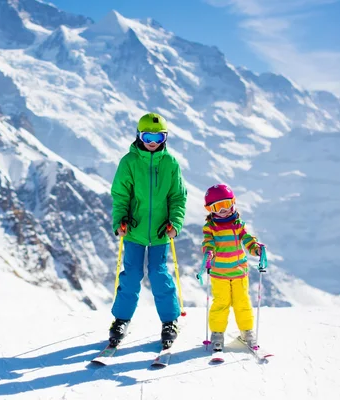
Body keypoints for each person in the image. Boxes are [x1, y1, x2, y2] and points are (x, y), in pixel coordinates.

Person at [108, 112, 187, 347]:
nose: (153, 141)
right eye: (147, 135)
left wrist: (176, 222)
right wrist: (120, 220)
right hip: (134, 230)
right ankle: (121, 319)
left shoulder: (170, 163)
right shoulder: (129, 162)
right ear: (138, 135)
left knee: (159, 275)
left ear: (165, 138)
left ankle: (169, 321)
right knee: (131, 275)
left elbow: (177, 197)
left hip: (161, 232)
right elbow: (120, 195)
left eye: (158, 136)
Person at [201, 184, 264, 351]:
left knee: (242, 302)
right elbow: (208, 242)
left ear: (233, 203)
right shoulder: (211, 227)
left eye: (226, 205)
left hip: (239, 272)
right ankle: (217, 334)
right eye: (217, 207)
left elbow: (247, 239)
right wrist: (209, 252)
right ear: (210, 209)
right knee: (221, 303)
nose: (223, 210)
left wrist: (255, 247)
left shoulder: (238, 224)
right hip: (219, 273)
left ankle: (247, 332)